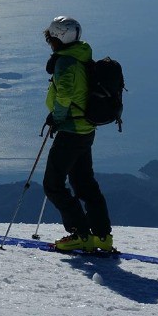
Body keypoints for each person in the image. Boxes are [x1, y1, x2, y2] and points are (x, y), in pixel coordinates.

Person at [41, 15, 114, 252]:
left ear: (59, 38)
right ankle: (102, 237)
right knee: (84, 184)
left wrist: (56, 117)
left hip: (71, 130)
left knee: (53, 185)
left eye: (51, 38)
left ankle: (80, 234)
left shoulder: (66, 63)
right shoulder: (82, 54)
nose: (49, 41)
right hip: (86, 130)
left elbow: (64, 96)